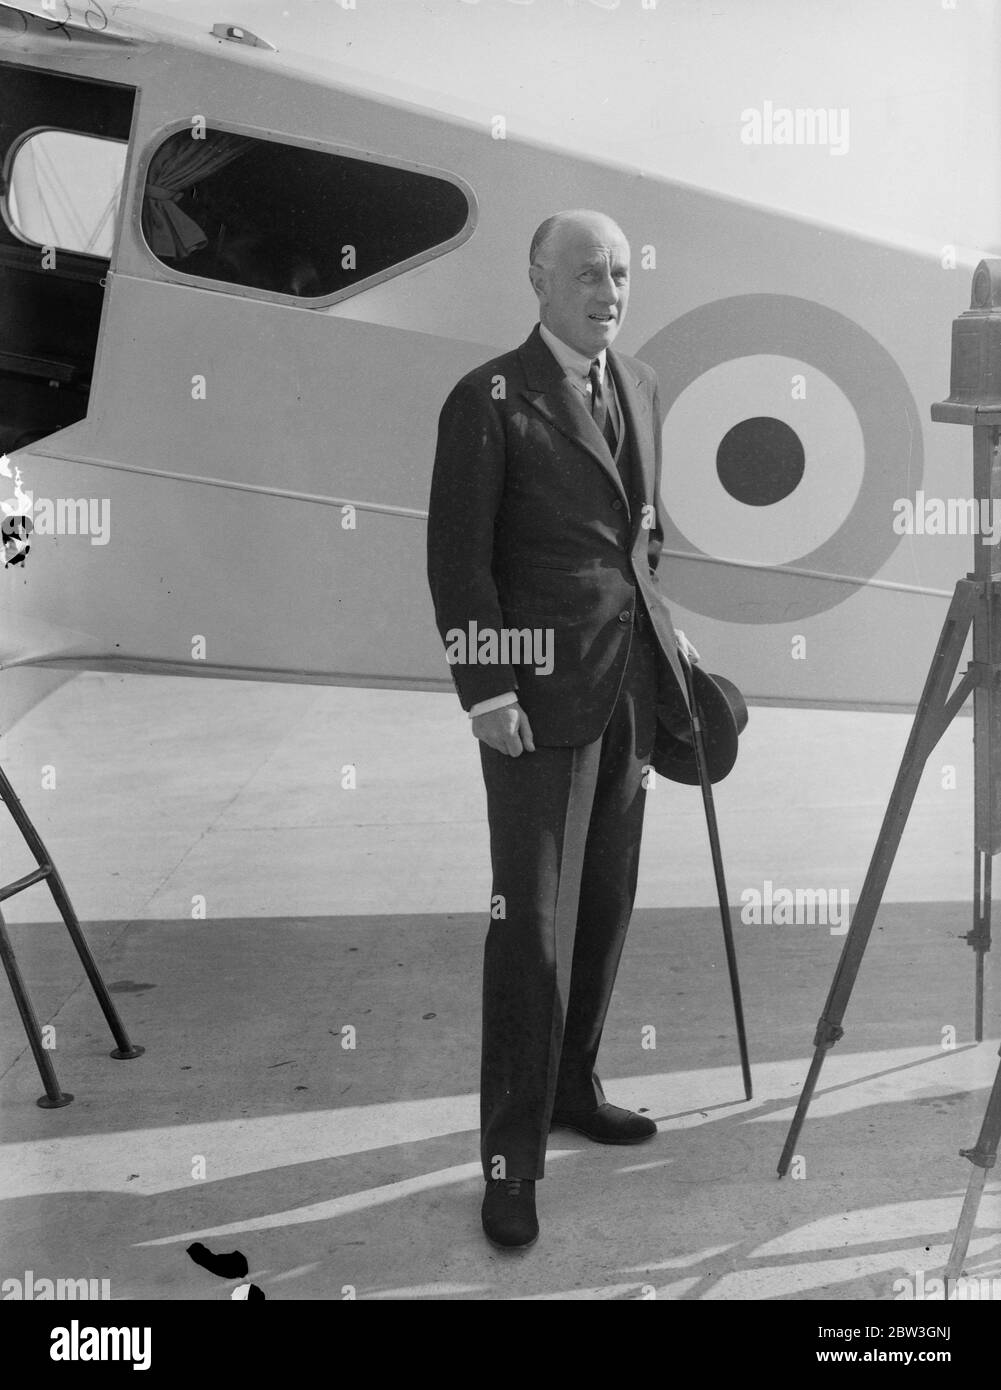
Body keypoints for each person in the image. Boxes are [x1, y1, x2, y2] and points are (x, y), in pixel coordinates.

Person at [426, 209, 699, 1250]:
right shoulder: (488, 396)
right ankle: (509, 1162)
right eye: (586, 273)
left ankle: (573, 1083)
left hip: (624, 687)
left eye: (621, 273)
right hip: (533, 705)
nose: (608, 291)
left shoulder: (640, 384)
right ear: (536, 280)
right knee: (528, 929)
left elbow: (641, 536)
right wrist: (486, 692)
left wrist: (666, 645)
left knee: (604, 902)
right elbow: (459, 561)